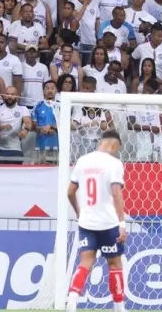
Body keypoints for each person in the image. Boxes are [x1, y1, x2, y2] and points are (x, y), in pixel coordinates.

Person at [66, 129, 127, 312]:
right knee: (115, 263)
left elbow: (70, 191)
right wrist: (122, 224)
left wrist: (79, 211)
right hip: (108, 223)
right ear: (114, 144)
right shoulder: (114, 163)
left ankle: (72, 300)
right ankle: (119, 307)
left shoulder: (83, 160)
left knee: (85, 263)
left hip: (86, 222)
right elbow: (116, 193)